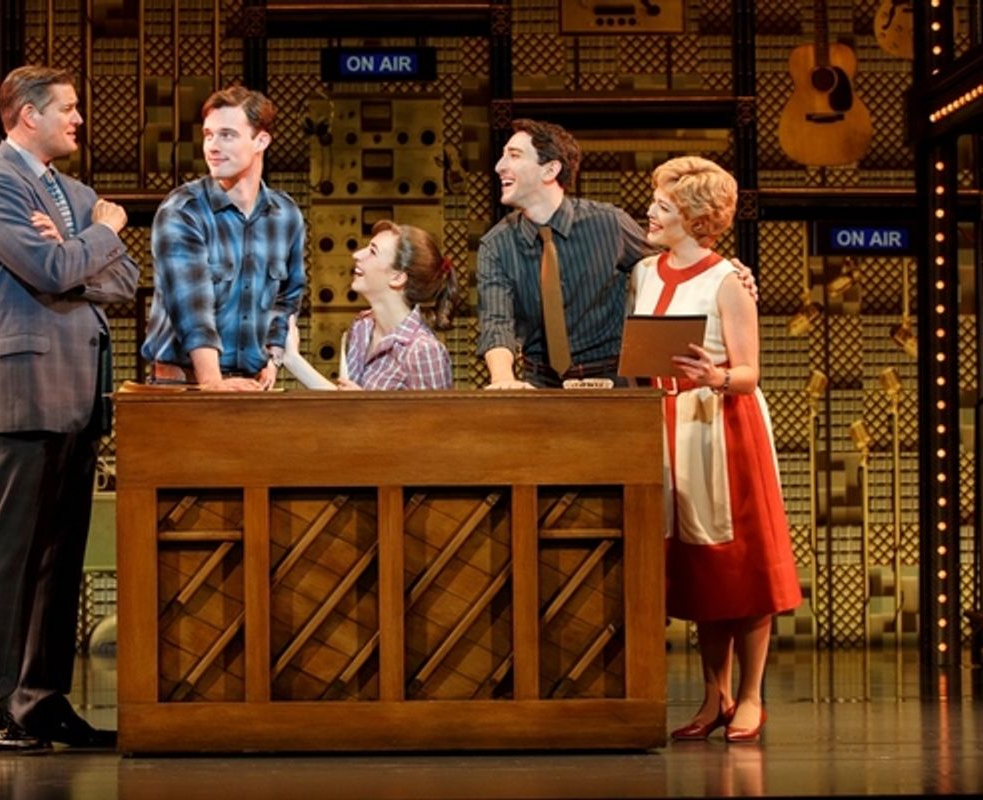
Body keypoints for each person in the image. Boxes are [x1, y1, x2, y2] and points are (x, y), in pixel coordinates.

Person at [0, 65, 139, 754]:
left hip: (80, 393)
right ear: (27, 115)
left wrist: (76, 246)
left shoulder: (75, 194)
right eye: (67, 108)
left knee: (60, 558)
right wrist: (90, 240)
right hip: (27, 390)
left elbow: (123, 280)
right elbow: (55, 271)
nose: (78, 119)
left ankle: (40, 701)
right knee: (11, 554)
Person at [629, 155, 801, 743]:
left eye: (664, 206)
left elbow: (751, 370)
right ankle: (714, 695)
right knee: (700, 566)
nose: (650, 212)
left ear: (697, 219)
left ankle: (752, 696)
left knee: (740, 562)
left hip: (722, 425)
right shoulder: (645, 272)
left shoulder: (727, 280)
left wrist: (716, 378)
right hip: (668, 422)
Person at [476, 118, 755, 389]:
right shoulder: (497, 245)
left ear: (550, 170)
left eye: (514, 156)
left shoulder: (609, 224)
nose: (499, 166)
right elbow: (497, 321)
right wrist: (503, 379)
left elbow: (675, 258)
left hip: (611, 380)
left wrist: (728, 276)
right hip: (540, 382)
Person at [140, 86, 305, 390]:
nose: (213, 146)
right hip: (184, 388)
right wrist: (212, 383)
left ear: (261, 140)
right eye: (208, 135)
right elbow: (191, 305)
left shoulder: (286, 215)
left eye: (227, 135)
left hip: (250, 389)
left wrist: (272, 360)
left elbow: (287, 298)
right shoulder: (183, 209)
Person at [283, 220, 455, 391]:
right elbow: (342, 404)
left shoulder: (424, 352)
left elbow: (437, 419)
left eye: (373, 251)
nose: (357, 254)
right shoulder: (362, 326)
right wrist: (292, 358)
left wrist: (365, 407)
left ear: (397, 278)